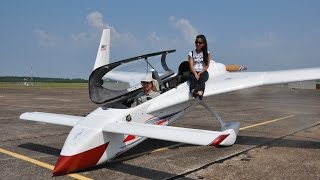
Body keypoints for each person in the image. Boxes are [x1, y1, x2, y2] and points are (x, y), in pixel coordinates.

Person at [188, 34, 211, 100]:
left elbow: (207, 66)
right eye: (196, 42)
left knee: (201, 79)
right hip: (193, 71)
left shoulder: (207, 53)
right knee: (193, 78)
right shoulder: (191, 53)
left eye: (200, 43)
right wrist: (195, 74)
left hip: (203, 71)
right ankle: (193, 91)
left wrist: (200, 73)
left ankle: (201, 92)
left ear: (203, 43)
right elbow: (191, 66)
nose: (198, 44)